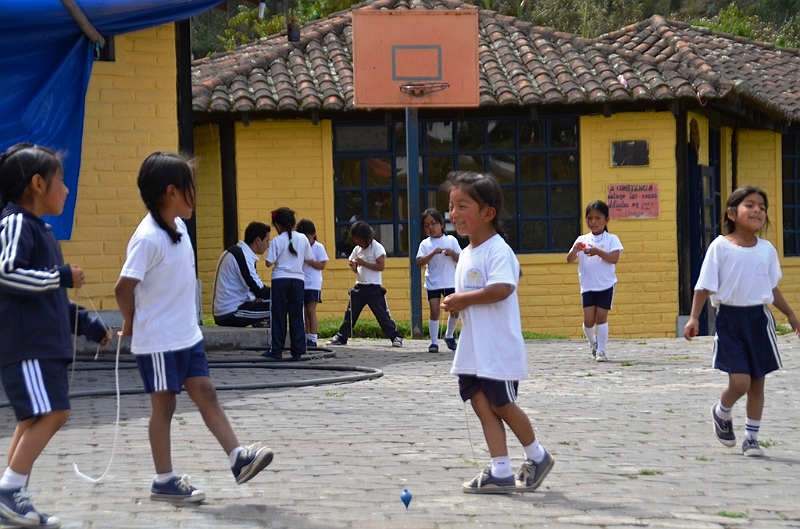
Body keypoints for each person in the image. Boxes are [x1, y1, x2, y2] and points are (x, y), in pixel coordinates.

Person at [114, 152, 273, 504]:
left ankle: (238, 458)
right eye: (191, 188)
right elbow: (123, 288)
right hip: (158, 341)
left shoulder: (179, 228)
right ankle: (163, 479)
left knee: (206, 392)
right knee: (164, 406)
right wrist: (131, 322)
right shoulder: (148, 238)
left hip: (187, 337)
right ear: (172, 192)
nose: (196, 196)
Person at [0, 143, 111, 528]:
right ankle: (10, 489)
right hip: (27, 345)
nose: (66, 189)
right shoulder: (15, 223)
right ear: (36, 184)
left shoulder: (42, 231)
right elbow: (5, 273)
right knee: (55, 412)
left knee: (32, 417)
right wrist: (59, 276)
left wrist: (86, 323)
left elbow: (49, 298)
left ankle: (13, 494)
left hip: (44, 344)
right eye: (61, 181)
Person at [440, 171, 553, 494]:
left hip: (498, 347)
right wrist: (459, 305)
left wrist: (464, 299)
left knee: (502, 403)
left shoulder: (497, 250)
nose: (454, 214)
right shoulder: (466, 253)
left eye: (463, 206)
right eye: (451, 206)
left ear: (488, 213)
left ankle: (537, 455)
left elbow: (503, 287)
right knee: (480, 403)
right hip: (475, 348)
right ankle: (499, 469)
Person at [683, 186, 800, 457]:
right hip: (730, 321)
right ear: (732, 213)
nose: (757, 210)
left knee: (758, 381)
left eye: (762, 206)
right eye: (750, 205)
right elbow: (704, 286)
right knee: (740, 382)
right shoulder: (720, 247)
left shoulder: (767, 250)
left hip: (759, 320)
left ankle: (752, 438)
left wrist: (790, 314)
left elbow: (771, 289)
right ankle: (721, 410)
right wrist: (693, 317)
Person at [327, 220, 403, 348]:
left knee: (382, 314)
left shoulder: (377, 248)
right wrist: (354, 265)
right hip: (360, 286)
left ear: (368, 238)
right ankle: (341, 336)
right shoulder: (357, 249)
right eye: (356, 241)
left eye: (361, 241)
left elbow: (380, 266)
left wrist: (363, 263)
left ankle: (395, 336)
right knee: (350, 314)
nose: (359, 244)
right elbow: (356, 269)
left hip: (374, 287)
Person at [566, 200, 623, 362]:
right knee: (589, 319)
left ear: (606, 220)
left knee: (601, 317)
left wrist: (597, 251)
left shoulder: (612, 239)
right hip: (588, 285)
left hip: (606, 284)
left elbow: (614, 258)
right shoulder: (582, 239)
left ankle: (602, 351)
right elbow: (569, 259)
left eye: (598, 218)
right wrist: (575, 250)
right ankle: (594, 344)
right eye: (590, 219)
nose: (593, 222)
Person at [262, 207, 314, 361]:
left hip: (280, 280)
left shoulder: (277, 241)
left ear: (278, 225)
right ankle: (297, 350)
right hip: (298, 280)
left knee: (278, 315)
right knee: (297, 314)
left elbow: (268, 262)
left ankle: (276, 349)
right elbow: (308, 258)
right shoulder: (303, 239)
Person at [416, 208, 461, 353]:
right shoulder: (425, 244)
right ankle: (434, 342)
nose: (430, 228)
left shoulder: (451, 240)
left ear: (441, 224)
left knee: (455, 311)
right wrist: (432, 253)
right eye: (426, 225)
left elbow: (461, 259)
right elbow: (419, 262)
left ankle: (449, 335)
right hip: (433, 282)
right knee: (434, 311)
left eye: (433, 224)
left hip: (450, 281)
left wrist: (452, 253)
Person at [212, 221, 271, 328]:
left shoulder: (237, 251)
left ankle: (261, 323)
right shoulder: (242, 256)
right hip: (230, 312)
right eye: (267, 241)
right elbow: (258, 290)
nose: (268, 245)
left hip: (228, 308)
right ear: (258, 240)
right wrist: (282, 292)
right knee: (280, 303)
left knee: (275, 299)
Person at [296, 219, 328, 348]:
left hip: (313, 283)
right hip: (301, 281)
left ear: (313, 234)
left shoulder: (318, 247)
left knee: (311, 310)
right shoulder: (298, 246)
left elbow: (322, 265)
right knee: (303, 311)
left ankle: (313, 337)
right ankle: (306, 335)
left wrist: (309, 261)